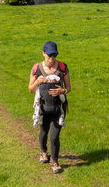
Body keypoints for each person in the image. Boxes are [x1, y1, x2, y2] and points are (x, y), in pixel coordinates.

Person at [28, 41, 71, 174]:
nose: (52, 58)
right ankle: (43, 152)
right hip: (42, 107)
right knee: (43, 132)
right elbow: (30, 89)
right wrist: (37, 81)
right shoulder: (36, 68)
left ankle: (55, 161)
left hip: (58, 108)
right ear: (43, 53)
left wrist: (62, 91)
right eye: (49, 55)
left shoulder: (63, 68)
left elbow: (68, 88)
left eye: (54, 55)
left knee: (54, 136)